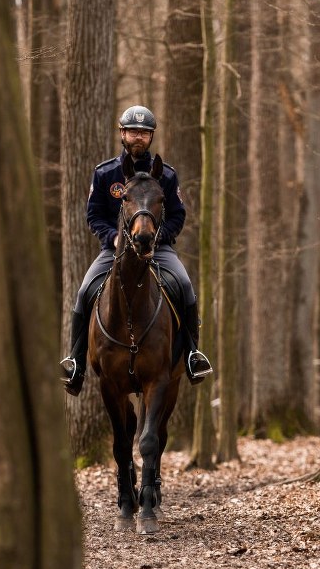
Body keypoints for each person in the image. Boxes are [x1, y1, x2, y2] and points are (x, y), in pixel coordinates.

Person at [60, 105, 212, 396]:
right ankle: (75, 362)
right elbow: (94, 215)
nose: (138, 137)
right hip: (115, 250)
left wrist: (158, 237)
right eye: (133, 132)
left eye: (144, 132)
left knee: (185, 286)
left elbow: (178, 215)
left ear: (151, 136)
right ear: (122, 134)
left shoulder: (167, 176)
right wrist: (113, 237)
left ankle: (193, 355)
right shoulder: (105, 173)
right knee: (84, 292)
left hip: (158, 248)